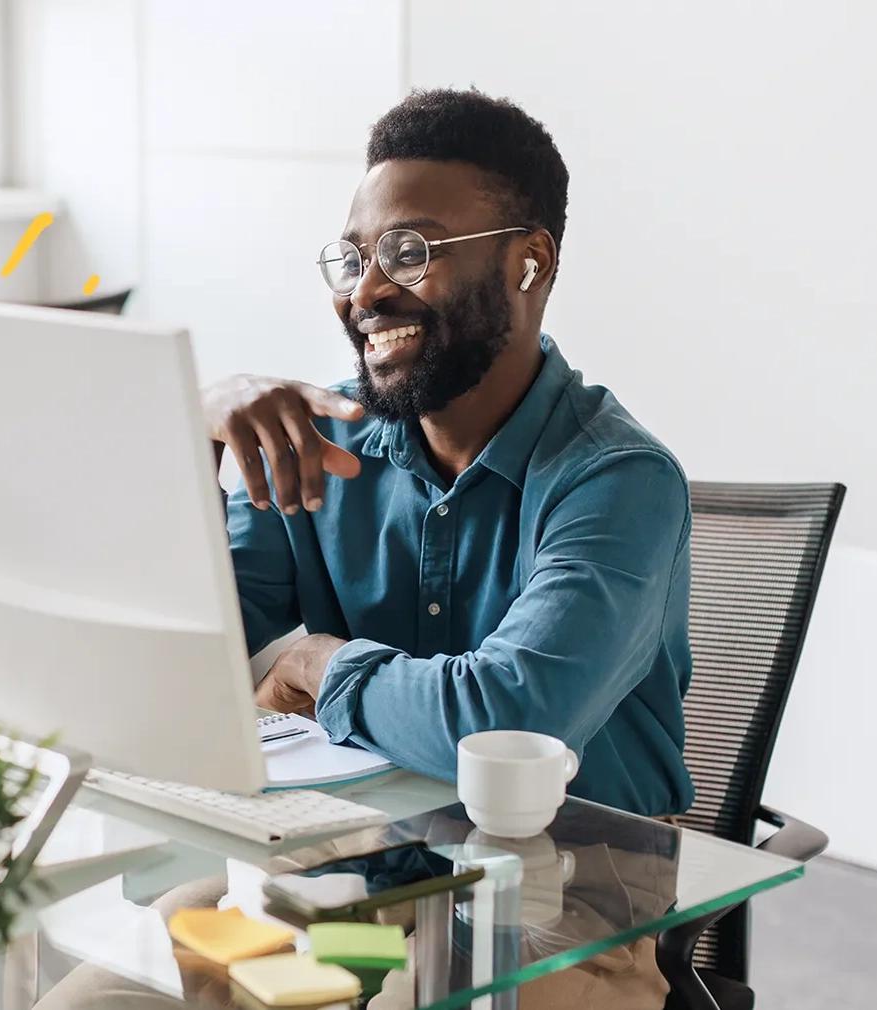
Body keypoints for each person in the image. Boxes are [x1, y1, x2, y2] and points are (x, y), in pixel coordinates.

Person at [204, 87, 693, 819]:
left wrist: (317, 663)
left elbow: (503, 725)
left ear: (529, 262)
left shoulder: (619, 481)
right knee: (137, 919)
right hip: (364, 850)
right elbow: (178, 654)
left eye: (409, 253)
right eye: (353, 258)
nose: (364, 292)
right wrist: (194, 428)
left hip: (577, 888)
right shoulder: (321, 444)